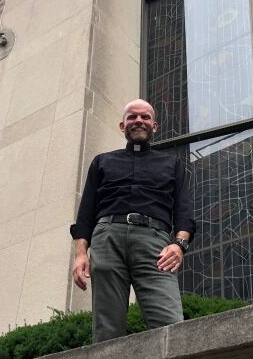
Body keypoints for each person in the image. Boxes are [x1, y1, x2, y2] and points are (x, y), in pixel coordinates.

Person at [70, 99, 195, 343]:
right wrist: (80, 254)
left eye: (145, 117)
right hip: (107, 238)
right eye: (132, 117)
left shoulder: (172, 164)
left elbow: (184, 211)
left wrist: (179, 246)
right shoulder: (101, 162)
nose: (138, 120)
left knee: (170, 324)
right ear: (122, 125)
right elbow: (85, 213)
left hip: (155, 243)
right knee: (107, 329)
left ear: (154, 126)